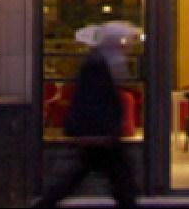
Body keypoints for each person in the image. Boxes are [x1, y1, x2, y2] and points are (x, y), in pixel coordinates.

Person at [37, 22, 138, 209]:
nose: (127, 46)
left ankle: (46, 203)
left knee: (83, 175)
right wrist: (100, 131)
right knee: (119, 178)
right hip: (99, 133)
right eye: (123, 40)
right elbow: (92, 99)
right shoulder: (99, 63)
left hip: (99, 133)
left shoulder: (101, 60)